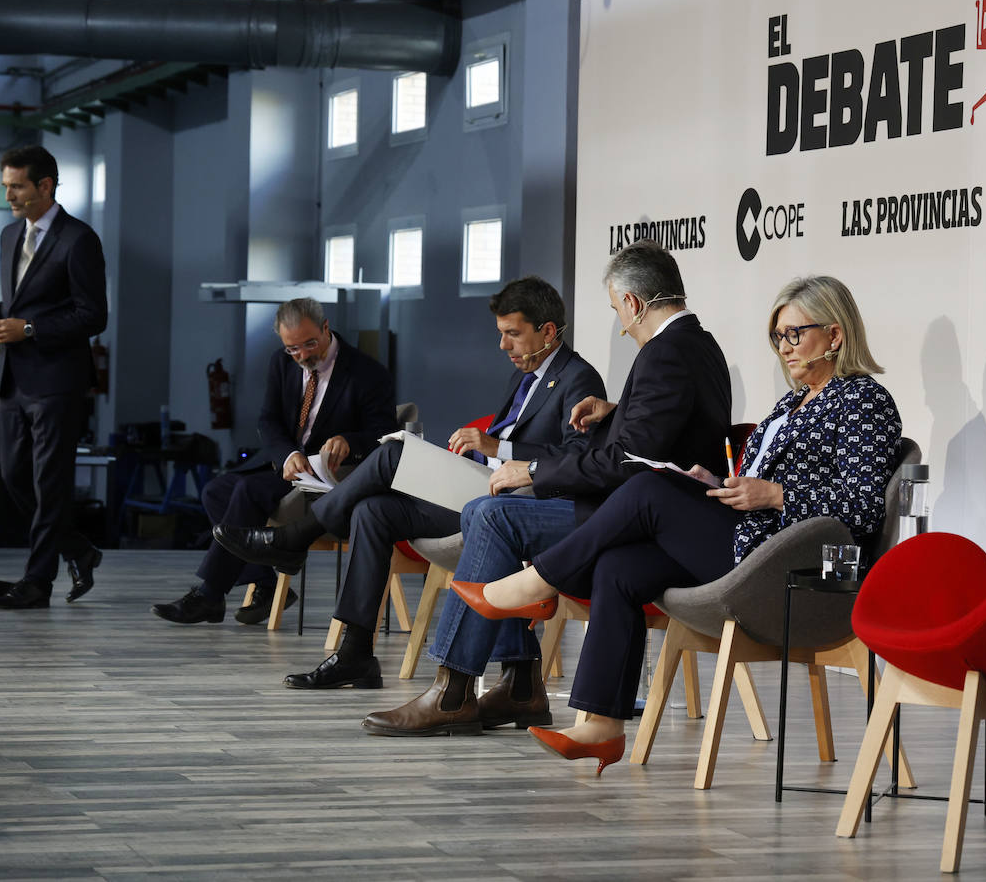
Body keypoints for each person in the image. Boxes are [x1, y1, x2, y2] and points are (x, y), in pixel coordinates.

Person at [457, 275, 902, 773]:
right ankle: (602, 726)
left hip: (791, 566)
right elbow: (752, 483)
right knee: (621, 566)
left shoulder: (864, 400)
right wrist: (715, 480)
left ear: (835, 336)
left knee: (646, 489)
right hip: (751, 539)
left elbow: (863, 508)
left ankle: (539, 580)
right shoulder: (791, 403)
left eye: (795, 334)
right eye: (778, 337)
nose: (784, 348)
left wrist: (776, 493)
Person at [361, 240, 732, 737]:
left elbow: (630, 463)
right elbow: (660, 433)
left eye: (617, 310)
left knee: (491, 515)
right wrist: (614, 412)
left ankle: (456, 689)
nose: (621, 324)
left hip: (639, 520)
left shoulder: (665, 353)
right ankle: (517, 681)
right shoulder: (694, 344)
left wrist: (534, 471)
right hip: (647, 509)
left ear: (634, 303)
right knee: (482, 513)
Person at [213, 276, 605, 692]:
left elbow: (577, 461)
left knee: (393, 455)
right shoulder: (524, 375)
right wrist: (481, 452)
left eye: (513, 334)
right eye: (501, 334)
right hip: (480, 487)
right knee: (372, 510)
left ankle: (296, 537)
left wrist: (497, 447)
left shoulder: (578, 379)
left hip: (516, 504)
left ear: (546, 331)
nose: (504, 346)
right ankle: (356, 653)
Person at [151, 297, 397, 625]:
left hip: (331, 477)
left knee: (247, 492)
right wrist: (288, 455)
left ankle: (210, 595)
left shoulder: (367, 373)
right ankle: (265, 583)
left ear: (326, 328)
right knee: (215, 491)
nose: (304, 355)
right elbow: (268, 420)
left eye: (310, 344)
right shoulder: (281, 363)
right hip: (286, 464)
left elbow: (385, 434)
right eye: (293, 349)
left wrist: (349, 441)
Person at [0, 145, 108, 609]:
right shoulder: (11, 235)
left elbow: (93, 315)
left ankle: (38, 581)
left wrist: (29, 328)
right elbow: (25, 300)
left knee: (49, 482)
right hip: (12, 379)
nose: (8, 194)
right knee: (12, 477)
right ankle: (78, 550)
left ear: (44, 186)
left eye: (17, 186)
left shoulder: (79, 239)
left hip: (56, 380)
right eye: (6, 185)